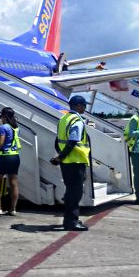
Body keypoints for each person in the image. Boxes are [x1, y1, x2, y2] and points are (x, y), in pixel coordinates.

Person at [50, 95, 90, 231]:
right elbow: (73, 141)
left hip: (66, 162)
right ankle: (72, 222)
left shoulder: (63, 119)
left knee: (70, 191)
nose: (85, 107)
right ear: (78, 105)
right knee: (75, 193)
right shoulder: (77, 121)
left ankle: (68, 220)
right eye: (84, 104)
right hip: (75, 161)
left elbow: (57, 141)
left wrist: (59, 157)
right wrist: (61, 157)